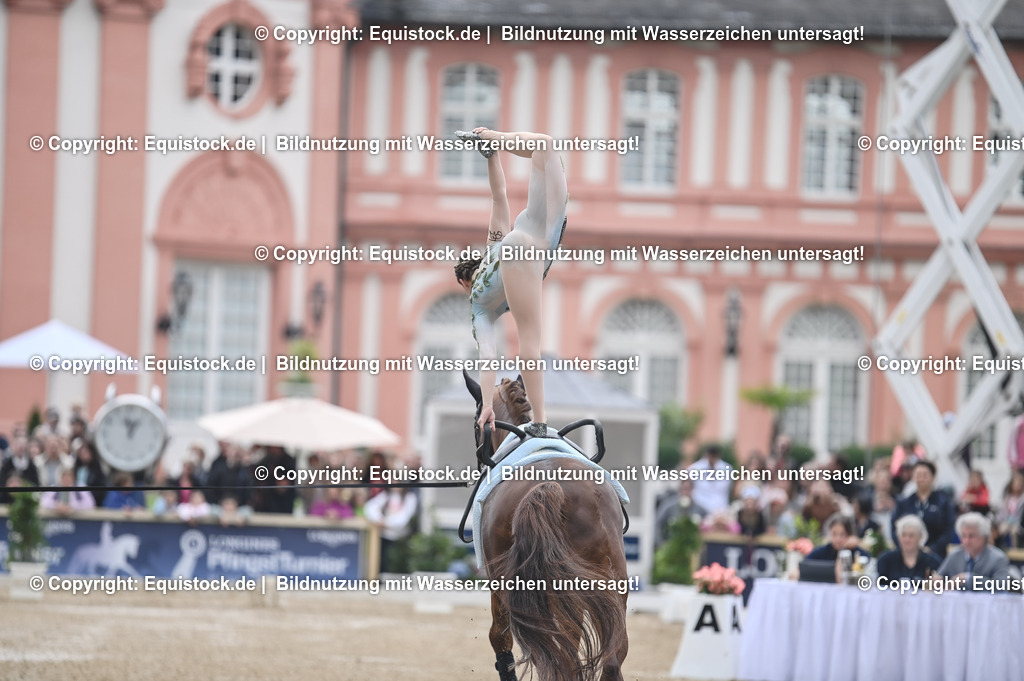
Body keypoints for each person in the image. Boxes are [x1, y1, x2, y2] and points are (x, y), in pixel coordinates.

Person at [453, 128, 568, 438]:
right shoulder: (493, 246)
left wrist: (487, 403)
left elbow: (488, 355)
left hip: (525, 247)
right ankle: (493, 137)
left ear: (465, 280)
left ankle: (541, 420)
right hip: (538, 241)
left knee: (529, 340)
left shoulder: (477, 301)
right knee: (545, 145)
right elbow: (498, 195)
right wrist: (493, 157)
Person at [890, 460, 956, 558]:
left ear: (933, 477)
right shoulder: (904, 502)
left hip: (936, 554)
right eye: (918, 475)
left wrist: (932, 549)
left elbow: (948, 529)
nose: (921, 479)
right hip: (908, 555)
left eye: (925, 475)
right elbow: (894, 527)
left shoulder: (943, 502)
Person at [936, 512, 1013, 591]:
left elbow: (1001, 587)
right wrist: (936, 582)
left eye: (971, 536)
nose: (966, 541)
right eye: (963, 536)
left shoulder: (998, 558)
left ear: (983, 537)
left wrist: (968, 579)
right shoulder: (954, 555)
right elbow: (939, 576)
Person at [804, 513, 870, 583]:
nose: (838, 539)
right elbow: (803, 566)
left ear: (850, 534)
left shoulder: (858, 553)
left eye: (842, 534)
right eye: (834, 534)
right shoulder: (823, 551)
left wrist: (844, 548)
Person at [876, 514, 942, 581]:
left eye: (911, 535)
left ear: (920, 537)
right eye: (903, 535)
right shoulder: (885, 560)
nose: (907, 540)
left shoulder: (933, 562)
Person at [684, 443, 733, 516]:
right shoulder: (694, 468)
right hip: (700, 506)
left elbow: (727, 490)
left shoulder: (727, 469)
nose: (712, 459)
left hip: (720, 509)